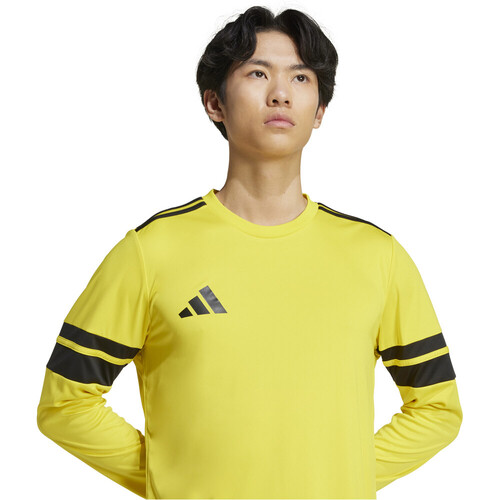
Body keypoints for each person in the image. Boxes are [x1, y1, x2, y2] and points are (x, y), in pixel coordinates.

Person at [37, 5, 463, 499]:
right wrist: (174, 478)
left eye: (300, 77)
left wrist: (341, 476)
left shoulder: (378, 257)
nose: (280, 92)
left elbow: (437, 409)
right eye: (258, 73)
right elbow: (64, 405)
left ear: (319, 111)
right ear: (214, 102)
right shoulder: (150, 252)